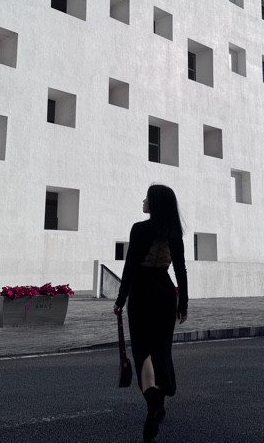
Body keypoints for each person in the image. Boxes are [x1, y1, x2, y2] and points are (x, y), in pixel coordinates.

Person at [114, 184, 188, 442]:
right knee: (161, 349)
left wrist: (120, 299)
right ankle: (160, 400)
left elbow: (130, 266)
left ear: (155, 203)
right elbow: (180, 269)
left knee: (143, 352)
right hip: (165, 293)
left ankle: (153, 402)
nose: (143, 200)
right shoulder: (174, 232)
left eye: (147, 197)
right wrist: (183, 303)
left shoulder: (139, 229)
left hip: (142, 294)